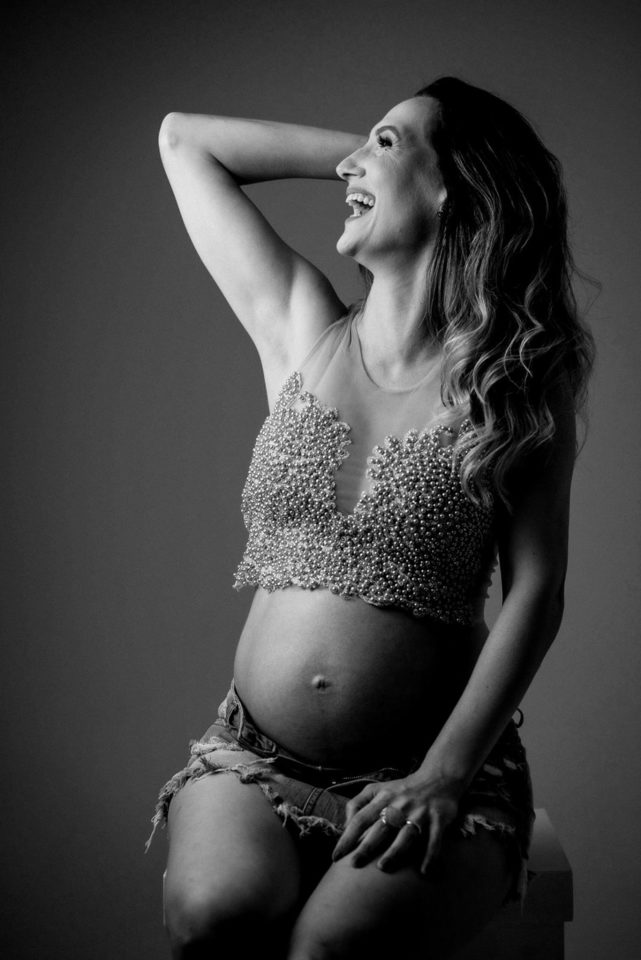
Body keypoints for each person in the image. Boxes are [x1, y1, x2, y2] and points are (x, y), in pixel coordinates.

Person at [148, 77, 594, 959]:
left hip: (436, 772)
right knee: (212, 918)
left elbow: (536, 594)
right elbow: (184, 141)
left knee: (331, 950)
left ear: (456, 186)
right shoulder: (300, 327)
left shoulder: (513, 382)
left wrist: (443, 774)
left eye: (384, 145)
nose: (351, 164)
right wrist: (370, 157)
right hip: (255, 758)